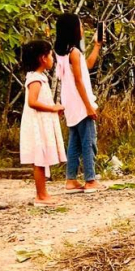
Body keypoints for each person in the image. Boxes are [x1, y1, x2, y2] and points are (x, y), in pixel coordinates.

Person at [54, 14, 103, 193]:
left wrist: (96, 46)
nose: (82, 29)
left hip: (70, 104)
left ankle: (71, 179)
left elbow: (86, 66)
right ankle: (90, 179)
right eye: (80, 26)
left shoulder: (63, 53)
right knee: (88, 141)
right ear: (74, 29)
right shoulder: (74, 52)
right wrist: (89, 106)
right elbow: (79, 81)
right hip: (80, 103)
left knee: (74, 142)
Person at [20, 40, 67, 206]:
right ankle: (41, 195)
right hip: (36, 124)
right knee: (39, 159)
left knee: (42, 158)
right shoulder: (35, 79)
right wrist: (52, 108)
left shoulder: (40, 77)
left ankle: (43, 194)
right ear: (42, 58)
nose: (53, 59)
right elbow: (32, 102)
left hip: (42, 122)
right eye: (50, 55)